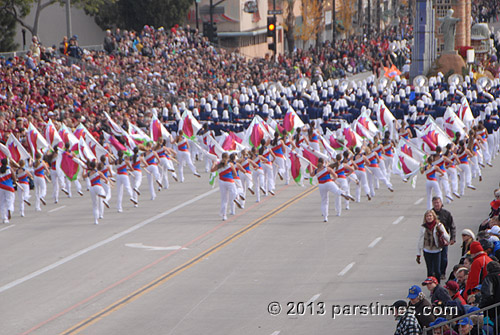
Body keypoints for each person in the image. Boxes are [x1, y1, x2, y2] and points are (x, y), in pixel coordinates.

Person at [309, 157, 354, 222]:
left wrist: (310, 166)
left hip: (321, 185)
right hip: (329, 182)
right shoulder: (327, 169)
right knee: (337, 190)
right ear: (323, 163)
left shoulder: (316, 170)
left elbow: (311, 174)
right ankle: (344, 194)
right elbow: (335, 175)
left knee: (324, 201)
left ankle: (325, 217)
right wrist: (333, 179)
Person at [417, 210, 450, 280]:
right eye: (427, 216)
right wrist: (418, 254)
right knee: (430, 271)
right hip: (427, 250)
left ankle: (437, 285)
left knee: (437, 271)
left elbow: (446, 236)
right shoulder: (423, 227)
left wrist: (447, 240)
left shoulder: (439, 225)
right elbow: (420, 240)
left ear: (434, 217)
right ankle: (430, 285)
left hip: (436, 251)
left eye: (430, 216)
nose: (429, 218)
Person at [211, 152, 241, 221]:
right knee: (235, 192)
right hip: (230, 181)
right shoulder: (230, 164)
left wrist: (213, 164)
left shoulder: (218, 166)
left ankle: (224, 215)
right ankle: (236, 198)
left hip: (222, 182)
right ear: (228, 158)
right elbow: (235, 174)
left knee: (224, 199)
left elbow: (212, 170)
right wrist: (231, 176)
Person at [432, 196, 456, 280]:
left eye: (438, 202)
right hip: (433, 239)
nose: (436, 204)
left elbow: (452, 226)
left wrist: (452, 238)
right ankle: (435, 272)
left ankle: (442, 272)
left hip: (444, 239)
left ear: (441, 203)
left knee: (443, 257)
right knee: (434, 257)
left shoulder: (446, 214)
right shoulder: (430, 214)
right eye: (435, 203)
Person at [86, 161, 108, 225]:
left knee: (94, 204)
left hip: (92, 188)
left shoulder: (89, 173)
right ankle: (102, 195)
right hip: (98, 186)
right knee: (103, 192)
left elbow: (84, 176)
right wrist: (106, 181)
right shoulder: (99, 172)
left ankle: (96, 220)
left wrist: (85, 170)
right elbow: (106, 180)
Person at [0, 158, 16, 223]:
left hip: (1, 187)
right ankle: (9, 210)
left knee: (2, 203)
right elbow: (14, 178)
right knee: (10, 201)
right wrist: (14, 181)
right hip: (9, 187)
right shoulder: (9, 169)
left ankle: (4, 218)